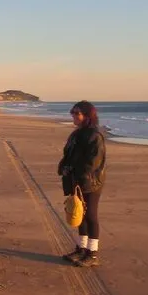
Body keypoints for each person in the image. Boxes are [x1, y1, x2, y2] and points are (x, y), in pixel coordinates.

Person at [58, 100, 107, 267]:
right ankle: (81, 248)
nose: (73, 115)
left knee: (90, 215)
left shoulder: (94, 135)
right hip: (76, 180)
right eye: (72, 112)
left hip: (91, 182)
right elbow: (69, 155)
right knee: (79, 213)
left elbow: (93, 162)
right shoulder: (77, 134)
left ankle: (92, 253)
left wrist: (78, 173)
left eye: (76, 113)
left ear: (87, 115)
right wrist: (64, 168)